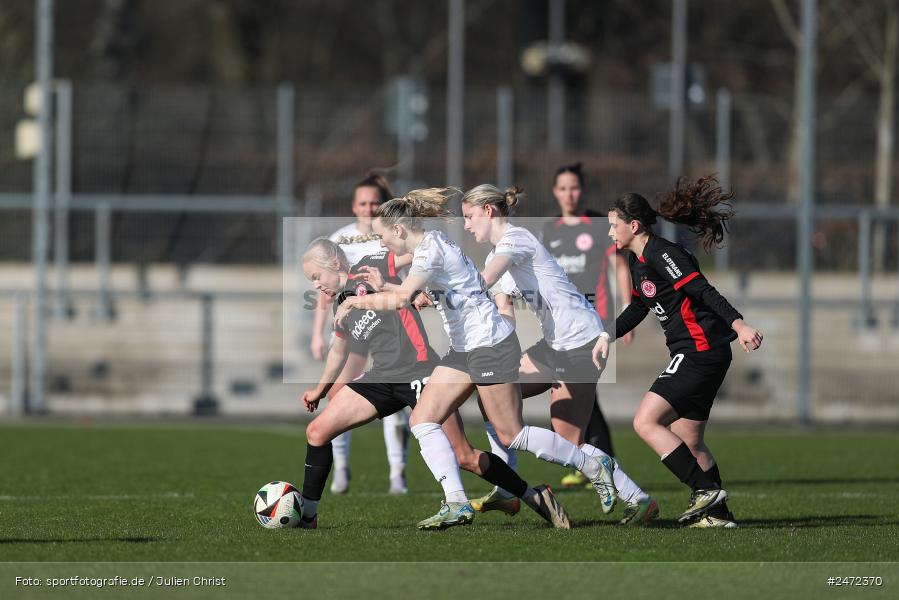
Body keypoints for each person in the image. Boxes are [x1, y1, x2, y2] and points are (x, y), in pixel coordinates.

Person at [340, 188, 617, 530]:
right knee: (423, 420)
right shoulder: (431, 244)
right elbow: (415, 292)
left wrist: (354, 302)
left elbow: (401, 300)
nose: (383, 245)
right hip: (463, 349)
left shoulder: (428, 250)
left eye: (383, 237)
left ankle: (591, 465)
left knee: (511, 434)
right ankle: (457, 503)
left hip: (489, 345)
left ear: (398, 230)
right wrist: (388, 289)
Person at [300, 238, 571, 529]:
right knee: (317, 431)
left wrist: (415, 279)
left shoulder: (372, 267)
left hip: (421, 372)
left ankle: (534, 496)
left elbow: (411, 255)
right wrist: (320, 390)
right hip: (381, 378)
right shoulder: (341, 305)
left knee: (464, 455)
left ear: (336, 264)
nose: (315, 285)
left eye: (316, 276)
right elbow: (338, 351)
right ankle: (307, 517)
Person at [457, 184, 659, 526]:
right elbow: (504, 310)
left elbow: (481, 281)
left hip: (580, 341)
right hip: (552, 346)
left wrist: (433, 289)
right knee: (491, 392)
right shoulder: (496, 254)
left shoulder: (515, 239)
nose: (466, 225)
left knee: (570, 444)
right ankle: (507, 488)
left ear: (489, 211)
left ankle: (639, 499)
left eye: (469, 217)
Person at [609, 175, 764, 528]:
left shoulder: (663, 253)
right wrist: (605, 335)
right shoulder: (638, 262)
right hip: (699, 352)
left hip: (700, 351)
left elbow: (703, 290)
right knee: (691, 442)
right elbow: (638, 307)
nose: (610, 232)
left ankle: (703, 490)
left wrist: (738, 324)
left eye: (613, 225)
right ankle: (718, 515)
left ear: (633, 225)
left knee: (645, 421)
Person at [309, 172, 409, 496]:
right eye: (363, 202)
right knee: (339, 396)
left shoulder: (391, 235)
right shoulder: (341, 239)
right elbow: (327, 292)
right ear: (354, 206)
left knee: (397, 405)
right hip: (354, 332)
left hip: (389, 327)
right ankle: (340, 471)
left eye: (375, 202)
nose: (368, 208)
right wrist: (317, 335)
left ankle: (397, 473)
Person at [540, 163, 633, 489]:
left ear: (583, 191)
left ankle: (593, 461)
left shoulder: (598, 226)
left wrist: (626, 313)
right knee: (583, 392)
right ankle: (595, 460)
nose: (569, 194)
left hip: (594, 325)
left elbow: (619, 267)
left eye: (574, 188)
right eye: (563, 188)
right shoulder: (548, 230)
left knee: (581, 388)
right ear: (555, 192)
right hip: (560, 327)